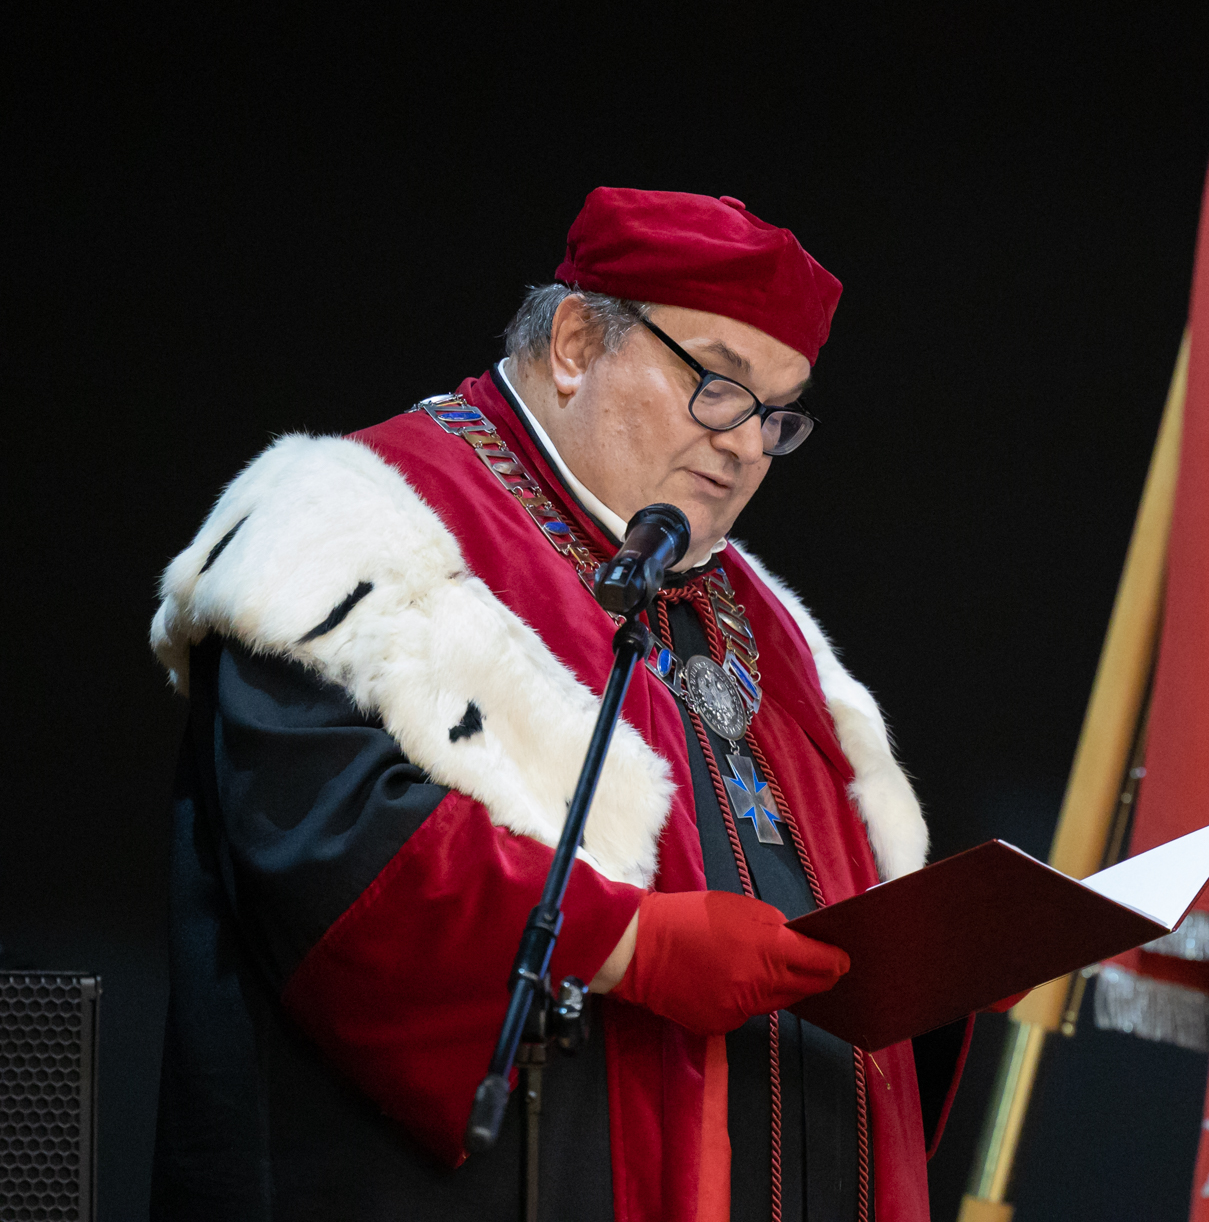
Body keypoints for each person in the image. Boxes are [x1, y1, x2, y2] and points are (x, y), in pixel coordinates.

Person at [149, 188, 969, 1222]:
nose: (747, 445)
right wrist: (632, 945)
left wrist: (934, 967)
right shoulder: (346, 522)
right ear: (577, 342)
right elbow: (325, 843)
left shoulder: (755, 610)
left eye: (776, 413)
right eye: (718, 384)